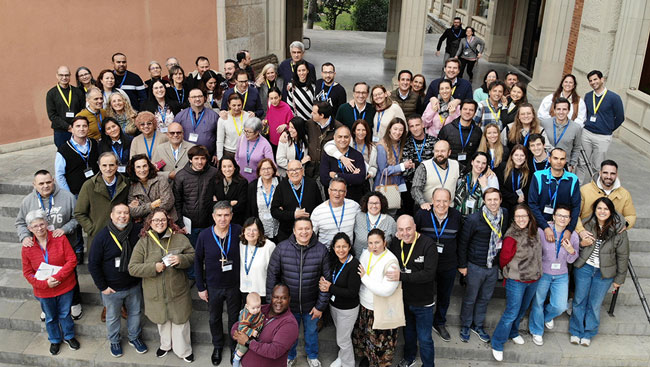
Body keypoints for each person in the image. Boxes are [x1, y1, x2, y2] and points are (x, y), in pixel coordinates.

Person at [128, 209, 195, 362]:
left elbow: (193, 256)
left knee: (180, 321)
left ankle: (183, 350)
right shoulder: (143, 242)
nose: (160, 223)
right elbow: (132, 268)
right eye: (156, 220)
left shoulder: (179, 238)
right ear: (150, 223)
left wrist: (181, 259)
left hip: (177, 290)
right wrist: (153, 268)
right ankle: (165, 345)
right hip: (155, 291)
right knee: (162, 321)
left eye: (163, 220)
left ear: (168, 221)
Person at [16, 170, 81, 322]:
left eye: (48, 182)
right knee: (42, 276)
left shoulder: (67, 197)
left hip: (64, 245)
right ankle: (46, 307)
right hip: (40, 247)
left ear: (53, 181)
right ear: (34, 185)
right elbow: (20, 223)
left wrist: (64, 229)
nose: (45, 186)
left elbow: (78, 217)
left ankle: (75, 302)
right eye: (41, 183)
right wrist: (24, 236)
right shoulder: (27, 202)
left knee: (71, 274)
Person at [266, 217, 331, 367]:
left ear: (312, 230)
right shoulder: (282, 248)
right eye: (300, 229)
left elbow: (327, 281)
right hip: (288, 305)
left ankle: (313, 356)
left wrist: (320, 306)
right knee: (288, 334)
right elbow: (272, 277)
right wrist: (273, 304)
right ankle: (290, 356)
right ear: (294, 231)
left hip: (311, 304)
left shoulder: (321, 250)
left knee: (312, 333)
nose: (304, 232)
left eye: (307, 228)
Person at [87, 203, 147, 357]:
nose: (122, 216)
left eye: (126, 213)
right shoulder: (102, 237)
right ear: (111, 216)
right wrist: (103, 287)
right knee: (113, 317)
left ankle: (134, 338)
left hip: (133, 284)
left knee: (135, 313)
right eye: (119, 213)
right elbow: (93, 264)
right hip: (112, 288)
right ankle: (114, 340)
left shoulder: (136, 232)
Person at [569, 197, 629, 346]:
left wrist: (619, 280)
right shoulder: (586, 224)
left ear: (611, 211)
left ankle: (588, 333)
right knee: (579, 300)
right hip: (585, 267)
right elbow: (575, 246)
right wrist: (582, 243)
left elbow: (623, 256)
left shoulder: (619, 230)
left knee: (595, 304)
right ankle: (576, 331)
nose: (602, 212)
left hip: (604, 273)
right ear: (594, 210)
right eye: (599, 208)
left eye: (606, 209)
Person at [21, 209, 80, 356]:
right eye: (35, 226)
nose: (40, 228)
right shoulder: (27, 247)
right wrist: (45, 284)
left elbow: (72, 260)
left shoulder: (59, 238)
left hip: (65, 285)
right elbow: (27, 273)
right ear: (29, 228)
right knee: (51, 316)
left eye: (42, 224)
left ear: (47, 223)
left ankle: (69, 336)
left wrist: (58, 277)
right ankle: (54, 339)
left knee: (65, 313)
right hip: (44, 290)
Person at [490, 204, 542, 361]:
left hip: (534, 279)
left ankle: (513, 332)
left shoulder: (535, 231)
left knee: (523, 309)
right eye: (518, 216)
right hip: (517, 280)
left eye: (524, 216)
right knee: (511, 312)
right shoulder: (511, 235)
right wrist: (510, 272)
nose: (521, 219)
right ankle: (497, 343)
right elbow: (504, 258)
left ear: (529, 217)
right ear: (514, 218)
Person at [458, 188, 509, 343]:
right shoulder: (474, 219)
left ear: (500, 200)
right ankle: (465, 325)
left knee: (485, 298)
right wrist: (462, 265)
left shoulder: (504, 214)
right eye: (489, 200)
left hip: (492, 266)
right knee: (470, 298)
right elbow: (463, 243)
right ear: (484, 201)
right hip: (475, 266)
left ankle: (478, 325)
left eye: (496, 199)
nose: (493, 203)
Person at [195, 201, 243, 365]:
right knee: (214, 318)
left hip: (234, 285)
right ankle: (217, 346)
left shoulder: (238, 231)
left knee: (233, 318)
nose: (223, 219)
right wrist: (201, 287)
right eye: (219, 215)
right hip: (213, 285)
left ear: (231, 216)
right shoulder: (204, 235)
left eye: (226, 215)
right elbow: (197, 261)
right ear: (213, 216)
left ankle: (233, 346)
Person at [414, 188, 463, 342]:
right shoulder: (422, 214)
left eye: (445, 201)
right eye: (438, 200)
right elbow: (412, 237)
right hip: (425, 265)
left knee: (444, 295)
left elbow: (461, 241)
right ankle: (422, 323)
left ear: (450, 202)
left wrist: (462, 264)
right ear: (432, 201)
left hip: (448, 264)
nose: (441, 204)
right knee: (423, 294)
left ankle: (439, 322)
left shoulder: (456, 216)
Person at [388, 215, 437, 367]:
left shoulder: (428, 244)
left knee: (424, 338)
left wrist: (401, 276)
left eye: (408, 229)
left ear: (415, 227)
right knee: (408, 334)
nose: (405, 233)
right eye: (401, 230)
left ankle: (429, 365)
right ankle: (409, 358)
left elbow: (428, 274)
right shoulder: (396, 242)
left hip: (423, 302)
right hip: (404, 300)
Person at [528, 205, 579, 346]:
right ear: (554, 216)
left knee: (560, 306)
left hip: (561, 275)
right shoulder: (541, 231)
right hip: (543, 273)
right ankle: (537, 331)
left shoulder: (573, 236)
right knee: (538, 301)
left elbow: (572, 260)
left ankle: (546, 316)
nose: (562, 219)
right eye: (560, 215)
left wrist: (571, 251)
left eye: (566, 216)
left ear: (569, 220)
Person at [351, 229, 401, 367]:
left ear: (384, 242)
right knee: (366, 339)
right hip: (364, 305)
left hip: (380, 309)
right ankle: (367, 360)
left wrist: (365, 278)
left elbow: (386, 290)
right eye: (370, 243)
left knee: (379, 344)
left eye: (377, 242)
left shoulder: (391, 261)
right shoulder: (366, 253)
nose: (373, 246)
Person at [230, 283, 299, 367]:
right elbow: (238, 324)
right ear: (271, 297)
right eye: (276, 297)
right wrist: (236, 333)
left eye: (284, 298)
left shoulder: (289, 324)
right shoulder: (261, 309)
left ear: (289, 299)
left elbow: (274, 351)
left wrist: (248, 342)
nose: (279, 301)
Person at [319, 233, 361, 367]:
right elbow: (331, 279)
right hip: (334, 306)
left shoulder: (354, 264)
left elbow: (352, 292)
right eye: (338, 246)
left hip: (348, 309)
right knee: (342, 335)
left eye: (344, 246)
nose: (341, 250)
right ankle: (341, 358)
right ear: (333, 247)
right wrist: (323, 282)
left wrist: (330, 288)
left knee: (343, 339)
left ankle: (349, 364)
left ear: (349, 247)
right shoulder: (335, 261)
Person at [75, 152, 129, 248]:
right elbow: (79, 213)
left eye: (112, 165)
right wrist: (92, 229)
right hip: (98, 236)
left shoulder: (125, 183)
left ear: (117, 165)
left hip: (121, 233)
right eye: (104, 165)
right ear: (99, 166)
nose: (108, 169)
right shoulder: (89, 185)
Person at [528, 148, 581, 239]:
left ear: (565, 161)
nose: (559, 162)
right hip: (540, 224)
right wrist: (545, 227)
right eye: (555, 158)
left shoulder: (573, 179)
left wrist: (569, 229)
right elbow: (532, 204)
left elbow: (576, 206)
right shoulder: (538, 176)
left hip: (563, 226)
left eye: (562, 159)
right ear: (549, 159)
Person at [581, 70, 625, 178]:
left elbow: (620, 117)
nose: (593, 82)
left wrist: (608, 128)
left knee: (597, 166)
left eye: (595, 79)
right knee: (581, 162)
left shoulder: (614, 98)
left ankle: (596, 189)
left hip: (603, 137)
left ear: (602, 79)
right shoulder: (588, 96)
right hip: (586, 133)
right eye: (590, 81)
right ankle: (576, 188)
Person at [173, 145, 218, 247]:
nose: (200, 162)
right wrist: (181, 224)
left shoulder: (214, 173)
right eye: (196, 158)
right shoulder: (181, 176)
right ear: (190, 160)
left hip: (209, 223)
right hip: (189, 225)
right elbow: (177, 202)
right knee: (193, 255)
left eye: (203, 158)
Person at [576, 160, 636, 236]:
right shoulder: (584, 191)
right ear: (600, 173)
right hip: (588, 233)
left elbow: (631, 215)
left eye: (612, 173)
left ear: (616, 175)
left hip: (611, 235)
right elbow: (575, 213)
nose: (608, 176)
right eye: (605, 173)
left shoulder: (625, 194)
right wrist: (581, 231)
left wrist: (625, 225)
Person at [270, 160, 322, 241]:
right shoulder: (281, 187)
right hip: (288, 233)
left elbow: (319, 206)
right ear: (287, 172)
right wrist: (293, 215)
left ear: (302, 170)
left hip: (308, 231)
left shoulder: (312, 184)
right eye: (291, 170)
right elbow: (274, 211)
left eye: (297, 169)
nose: (294, 172)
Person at [55, 116, 100, 196]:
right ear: (72, 129)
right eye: (78, 126)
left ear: (88, 129)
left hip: (96, 190)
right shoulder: (63, 149)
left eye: (84, 126)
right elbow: (59, 175)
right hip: (76, 194)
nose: (81, 129)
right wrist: (68, 195)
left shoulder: (94, 143)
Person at [319, 126, 367, 202]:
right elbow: (324, 179)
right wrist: (351, 178)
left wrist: (336, 176)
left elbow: (360, 179)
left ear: (350, 138)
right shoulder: (327, 156)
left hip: (354, 199)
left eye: (346, 137)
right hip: (333, 200)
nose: (343, 140)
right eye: (340, 137)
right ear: (334, 137)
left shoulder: (357, 155)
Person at [374, 118, 413, 207]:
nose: (398, 132)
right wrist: (402, 166)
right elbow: (383, 170)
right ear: (389, 129)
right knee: (384, 210)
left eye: (401, 130)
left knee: (394, 209)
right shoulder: (381, 146)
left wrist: (409, 164)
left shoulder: (401, 144)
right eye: (395, 129)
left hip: (397, 184)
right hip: (385, 184)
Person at [312, 177, 361, 247]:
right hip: (326, 254)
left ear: (345, 193)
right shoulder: (318, 212)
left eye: (341, 191)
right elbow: (311, 236)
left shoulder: (354, 206)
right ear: (329, 191)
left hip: (347, 252)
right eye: (334, 190)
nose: (337, 194)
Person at [412, 140, 461, 208]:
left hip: (449, 208)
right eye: (437, 151)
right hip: (429, 208)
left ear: (449, 152)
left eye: (443, 151)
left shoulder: (456, 165)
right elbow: (416, 189)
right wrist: (422, 203)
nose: (439, 154)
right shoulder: (424, 166)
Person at [126, 154, 175, 222]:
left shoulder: (161, 180)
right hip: (146, 226)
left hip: (167, 221)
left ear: (149, 166)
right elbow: (132, 212)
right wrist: (151, 206)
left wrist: (141, 209)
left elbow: (167, 204)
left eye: (144, 166)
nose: (142, 170)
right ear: (133, 169)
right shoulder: (132, 186)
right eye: (138, 167)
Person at [175, 88, 220, 161]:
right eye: (194, 97)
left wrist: (216, 154)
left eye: (200, 96)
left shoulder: (214, 116)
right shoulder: (180, 116)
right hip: (185, 157)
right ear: (189, 99)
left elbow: (219, 137)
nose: (197, 99)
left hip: (208, 157)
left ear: (204, 98)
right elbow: (174, 135)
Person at [539, 97, 583, 171]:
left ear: (568, 111)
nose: (561, 112)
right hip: (546, 162)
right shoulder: (545, 123)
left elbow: (577, 147)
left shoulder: (576, 128)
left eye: (564, 109)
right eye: (558, 109)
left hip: (564, 164)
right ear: (554, 110)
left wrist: (572, 164)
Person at [239, 217, 276, 302]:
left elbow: (275, 271)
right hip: (245, 290)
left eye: (255, 230)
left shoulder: (269, 246)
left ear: (260, 232)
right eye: (248, 229)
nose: (251, 233)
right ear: (244, 231)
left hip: (262, 292)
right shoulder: (241, 244)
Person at [47, 66, 85, 147]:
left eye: (67, 75)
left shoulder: (77, 92)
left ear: (70, 76)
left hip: (77, 129)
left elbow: (83, 110)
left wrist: (76, 126)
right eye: (61, 75)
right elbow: (52, 115)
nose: (64, 77)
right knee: (64, 154)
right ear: (57, 76)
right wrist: (68, 127)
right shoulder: (51, 93)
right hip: (60, 132)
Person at [454, 152, 499, 217]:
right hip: (459, 217)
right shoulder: (463, 176)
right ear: (472, 162)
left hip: (480, 219)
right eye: (478, 162)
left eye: (483, 163)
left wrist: (485, 187)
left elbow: (494, 200)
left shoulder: (491, 178)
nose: (480, 166)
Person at [353, 191, 397, 257]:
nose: (374, 206)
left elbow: (396, 243)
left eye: (377, 203)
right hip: (359, 261)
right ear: (366, 204)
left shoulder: (390, 221)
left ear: (382, 204)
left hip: (382, 261)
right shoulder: (358, 217)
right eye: (371, 203)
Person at [306, 102, 343, 178]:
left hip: (329, 170)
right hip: (311, 170)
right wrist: (286, 133)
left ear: (322, 115)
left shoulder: (338, 128)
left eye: (314, 113)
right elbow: (296, 130)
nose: (311, 114)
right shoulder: (309, 124)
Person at [438, 99, 482, 164]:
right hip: (449, 168)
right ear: (460, 111)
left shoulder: (478, 131)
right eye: (465, 109)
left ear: (475, 113)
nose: (467, 112)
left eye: (471, 110)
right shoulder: (447, 129)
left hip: (469, 169)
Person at [247, 159, 280, 241]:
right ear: (259, 172)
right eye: (263, 169)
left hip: (278, 229)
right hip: (260, 230)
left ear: (273, 170)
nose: (266, 171)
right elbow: (249, 209)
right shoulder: (253, 186)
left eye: (269, 168)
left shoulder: (281, 183)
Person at [235, 117, 275, 183]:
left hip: (256, 180)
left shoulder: (265, 144)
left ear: (257, 132)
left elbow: (271, 164)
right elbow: (236, 157)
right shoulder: (241, 139)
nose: (246, 134)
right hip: (240, 178)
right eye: (245, 131)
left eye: (249, 132)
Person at [232, 292, 265, 367]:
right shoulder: (247, 317)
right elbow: (241, 327)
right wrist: (252, 332)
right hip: (246, 333)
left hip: (255, 326)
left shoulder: (252, 310)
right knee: (243, 348)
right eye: (253, 308)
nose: (256, 310)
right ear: (247, 307)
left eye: (258, 307)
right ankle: (236, 358)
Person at [215, 156, 249, 226]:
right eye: (224, 166)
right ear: (221, 168)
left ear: (234, 167)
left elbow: (241, 206)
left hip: (235, 222)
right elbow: (208, 204)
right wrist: (229, 203)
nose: (227, 169)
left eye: (230, 166)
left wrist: (217, 203)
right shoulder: (215, 181)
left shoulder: (242, 182)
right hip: (218, 222)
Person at [501, 145, 532, 216]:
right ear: (511, 156)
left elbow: (528, 190)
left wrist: (521, 199)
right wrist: (515, 198)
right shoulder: (503, 168)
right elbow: (500, 188)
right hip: (505, 204)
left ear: (525, 158)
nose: (519, 158)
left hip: (522, 205)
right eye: (516, 155)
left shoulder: (528, 172)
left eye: (522, 155)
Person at [217, 93, 250, 160]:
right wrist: (219, 158)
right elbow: (220, 140)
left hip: (245, 152)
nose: (236, 108)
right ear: (229, 105)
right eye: (234, 105)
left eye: (239, 105)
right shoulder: (223, 118)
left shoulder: (248, 116)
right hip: (229, 153)